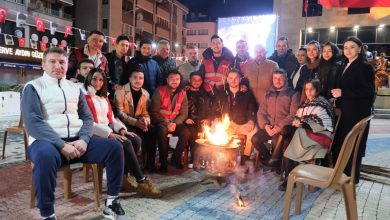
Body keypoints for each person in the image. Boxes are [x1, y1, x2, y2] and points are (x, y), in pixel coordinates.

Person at [21, 48, 128, 220]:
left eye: (62, 62)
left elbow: (87, 118)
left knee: (115, 147)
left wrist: (84, 140)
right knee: (44, 157)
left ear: (67, 65)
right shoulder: (33, 87)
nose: (58, 65)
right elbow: (33, 123)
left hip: (78, 141)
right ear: (43, 64)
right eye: (52, 61)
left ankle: (112, 201)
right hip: (47, 142)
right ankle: (47, 214)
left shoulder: (75, 88)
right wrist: (61, 144)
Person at [83, 68, 161, 198]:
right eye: (94, 79)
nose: (97, 82)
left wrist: (121, 129)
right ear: (89, 79)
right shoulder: (84, 96)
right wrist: (110, 134)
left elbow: (112, 118)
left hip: (108, 129)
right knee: (125, 143)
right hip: (94, 133)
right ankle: (141, 180)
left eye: (101, 79)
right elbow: (87, 122)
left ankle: (124, 177)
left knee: (135, 139)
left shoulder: (103, 97)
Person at [331, 36, 375, 183]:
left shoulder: (364, 66)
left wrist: (343, 93)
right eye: (345, 47)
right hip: (345, 112)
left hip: (356, 114)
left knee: (352, 145)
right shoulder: (344, 64)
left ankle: (351, 179)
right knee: (342, 144)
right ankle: (341, 176)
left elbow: (368, 91)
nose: (348, 50)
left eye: (352, 47)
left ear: (359, 49)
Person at [280, 79, 335, 191]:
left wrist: (303, 124)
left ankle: (288, 177)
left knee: (287, 131)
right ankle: (289, 178)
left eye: (311, 89)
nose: (308, 92)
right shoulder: (305, 103)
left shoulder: (323, 103)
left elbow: (324, 124)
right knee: (287, 140)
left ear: (317, 89)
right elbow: (298, 119)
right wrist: (299, 123)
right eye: (306, 89)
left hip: (319, 136)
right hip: (305, 134)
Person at [252, 68, 299, 168]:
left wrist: (278, 128)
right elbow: (261, 112)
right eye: (275, 78)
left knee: (275, 142)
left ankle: (274, 162)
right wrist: (266, 126)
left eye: (280, 78)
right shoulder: (268, 94)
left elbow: (293, 115)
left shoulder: (293, 94)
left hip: (283, 129)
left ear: (286, 79)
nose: (277, 81)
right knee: (255, 139)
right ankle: (271, 160)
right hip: (269, 127)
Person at [114, 68, 158, 173]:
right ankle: (129, 168)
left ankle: (149, 164)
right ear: (130, 78)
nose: (138, 80)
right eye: (135, 77)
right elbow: (120, 113)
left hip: (138, 122)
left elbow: (145, 112)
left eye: (141, 78)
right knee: (133, 137)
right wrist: (136, 123)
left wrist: (145, 121)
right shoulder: (120, 91)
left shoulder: (145, 93)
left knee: (152, 130)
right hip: (123, 123)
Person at [214, 69, 257, 164]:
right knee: (216, 130)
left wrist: (251, 121)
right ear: (227, 79)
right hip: (227, 124)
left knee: (254, 131)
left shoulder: (247, 93)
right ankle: (223, 157)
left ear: (240, 79)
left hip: (242, 124)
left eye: (236, 78)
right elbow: (216, 108)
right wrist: (217, 118)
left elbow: (252, 109)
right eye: (231, 78)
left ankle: (245, 156)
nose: (233, 81)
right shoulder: (222, 93)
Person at [150, 70, 190, 172]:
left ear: (180, 80)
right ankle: (163, 163)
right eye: (172, 79)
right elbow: (154, 111)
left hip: (175, 122)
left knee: (186, 132)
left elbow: (184, 113)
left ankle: (175, 159)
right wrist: (167, 123)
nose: (174, 81)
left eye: (177, 79)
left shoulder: (183, 93)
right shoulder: (160, 91)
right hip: (161, 122)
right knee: (162, 132)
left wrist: (175, 123)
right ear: (167, 80)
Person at [184, 71, 212, 168]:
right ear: (189, 80)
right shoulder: (184, 93)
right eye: (194, 80)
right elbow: (178, 109)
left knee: (210, 131)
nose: (196, 82)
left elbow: (211, 110)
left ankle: (206, 158)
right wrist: (185, 118)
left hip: (202, 120)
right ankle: (194, 158)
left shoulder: (205, 94)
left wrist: (208, 119)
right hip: (189, 121)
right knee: (193, 132)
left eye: (199, 80)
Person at [106, 35, 130, 103]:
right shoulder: (107, 58)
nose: (124, 47)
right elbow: (103, 73)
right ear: (116, 45)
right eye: (122, 45)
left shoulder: (126, 62)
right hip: (107, 92)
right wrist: (112, 85)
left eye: (127, 45)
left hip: (120, 94)